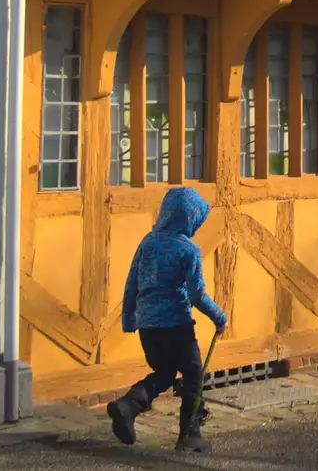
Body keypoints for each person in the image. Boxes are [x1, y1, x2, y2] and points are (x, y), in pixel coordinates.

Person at [107, 186, 228, 453]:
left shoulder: (148, 242)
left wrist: (129, 319)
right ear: (189, 218)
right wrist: (219, 317)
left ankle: (128, 406)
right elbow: (196, 295)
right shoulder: (188, 250)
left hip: (148, 328)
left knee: (164, 373)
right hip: (177, 326)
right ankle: (190, 435)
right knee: (194, 373)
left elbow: (131, 283)